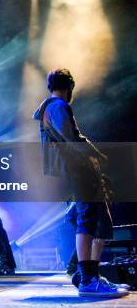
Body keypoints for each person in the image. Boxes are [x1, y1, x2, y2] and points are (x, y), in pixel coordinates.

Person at [33, 69, 128, 298]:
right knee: (87, 219)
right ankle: (87, 278)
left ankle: (89, 275)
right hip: (79, 169)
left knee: (98, 220)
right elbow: (72, 140)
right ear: (69, 87)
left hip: (78, 169)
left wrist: (95, 155)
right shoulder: (58, 106)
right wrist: (91, 157)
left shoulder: (50, 108)